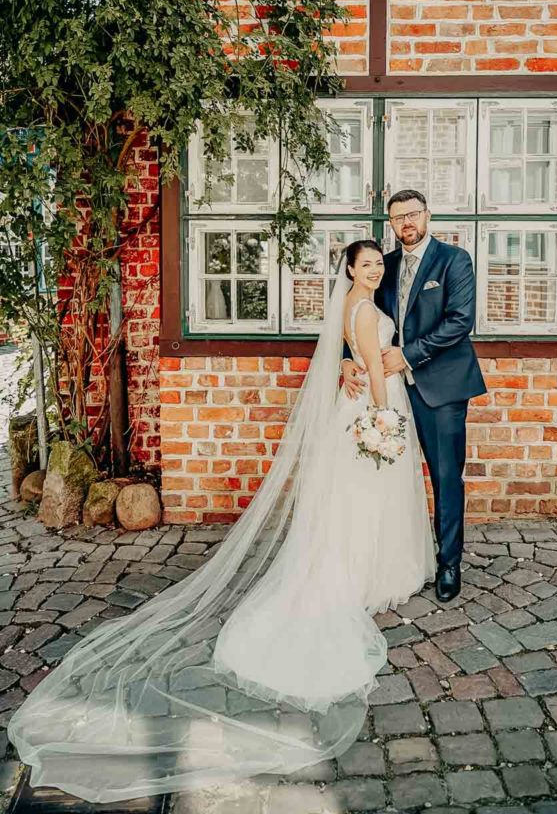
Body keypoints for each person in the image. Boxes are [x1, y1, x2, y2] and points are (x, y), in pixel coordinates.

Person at [8, 239, 437, 801]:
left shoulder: (360, 304)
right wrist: (383, 414)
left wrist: (362, 381)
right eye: (366, 264)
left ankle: (375, 566)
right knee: (363, 497)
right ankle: (363, 572)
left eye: (380, 263)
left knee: (362, 499)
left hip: (369, 402)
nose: (376, 269)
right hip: (376, 409)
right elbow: (365, 362)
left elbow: (351, 359)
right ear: (349, 271)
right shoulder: (359, 307)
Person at [341, 189, 487, 603]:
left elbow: (460, 321)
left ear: (427, 215)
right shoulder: (381, 266)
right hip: (388, 393)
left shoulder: (454, 261)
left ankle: (449, 563)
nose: (407, 222)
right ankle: (388, 561)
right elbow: (356, 314)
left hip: (440, 386)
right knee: (387, 480)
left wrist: (407, 355)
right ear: (390, 224)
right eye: (398, 217)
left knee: (444, 477)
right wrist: (344, 361)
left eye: (413, 214)